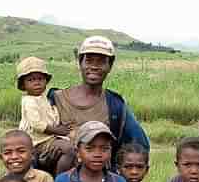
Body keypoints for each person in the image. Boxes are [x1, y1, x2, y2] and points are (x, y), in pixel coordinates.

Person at [47, 36, 149, 170]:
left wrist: (117, 173)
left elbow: (139, 145)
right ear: (80, 63)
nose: (94, 66)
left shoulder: (115, 105)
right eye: (89, 60)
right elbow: (34, 138)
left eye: (101, 62)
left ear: (110, 66)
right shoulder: (56, 99)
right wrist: (45, 158)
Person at [16, 56, 73, 175]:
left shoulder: (44, 99)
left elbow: (52, 116)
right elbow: (37, 124)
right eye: (31, 80)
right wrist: (57, 131)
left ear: (45, 81)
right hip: (37, 141)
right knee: (69, 149)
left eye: (40, 79)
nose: (36, 82)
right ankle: (59, 181)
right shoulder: (29, 101)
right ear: (23, 84)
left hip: (48, 138)